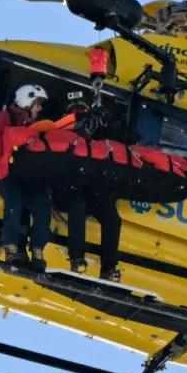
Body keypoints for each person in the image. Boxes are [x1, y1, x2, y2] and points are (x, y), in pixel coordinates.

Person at [0, 84, 52, 271]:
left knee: (42, 203)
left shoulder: (36, 126)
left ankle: (37, 249)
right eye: (37, 104)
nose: (40, 109)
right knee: (15, 202)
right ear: (27, 102)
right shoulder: (4, 118)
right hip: (4, 172)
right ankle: (11, 245)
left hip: (25, 174)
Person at [56, 101, 123, 282]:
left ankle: (109, 266)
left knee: (112, 218)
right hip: (63, 190)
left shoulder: (98, 144)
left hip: (90, 191)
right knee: (77, 207)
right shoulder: (60, 137)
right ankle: (77, 257)